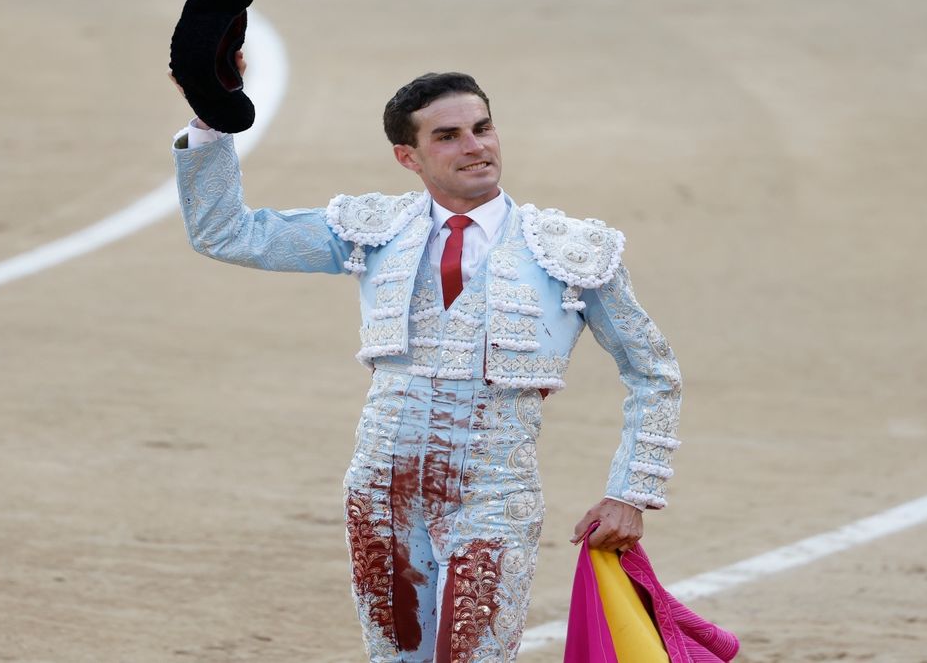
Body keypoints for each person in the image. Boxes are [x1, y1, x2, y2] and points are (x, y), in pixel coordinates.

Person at [171, 57, 681, 663]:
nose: (476, 147)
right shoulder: (374, 230)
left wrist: (631, 491)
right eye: (448, 135)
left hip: (494, 494)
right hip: (380, 490)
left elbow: (654, 372)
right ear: (407, 156)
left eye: (483, 128)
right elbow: (227, 233)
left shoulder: (569, 251)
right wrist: (211, 115)